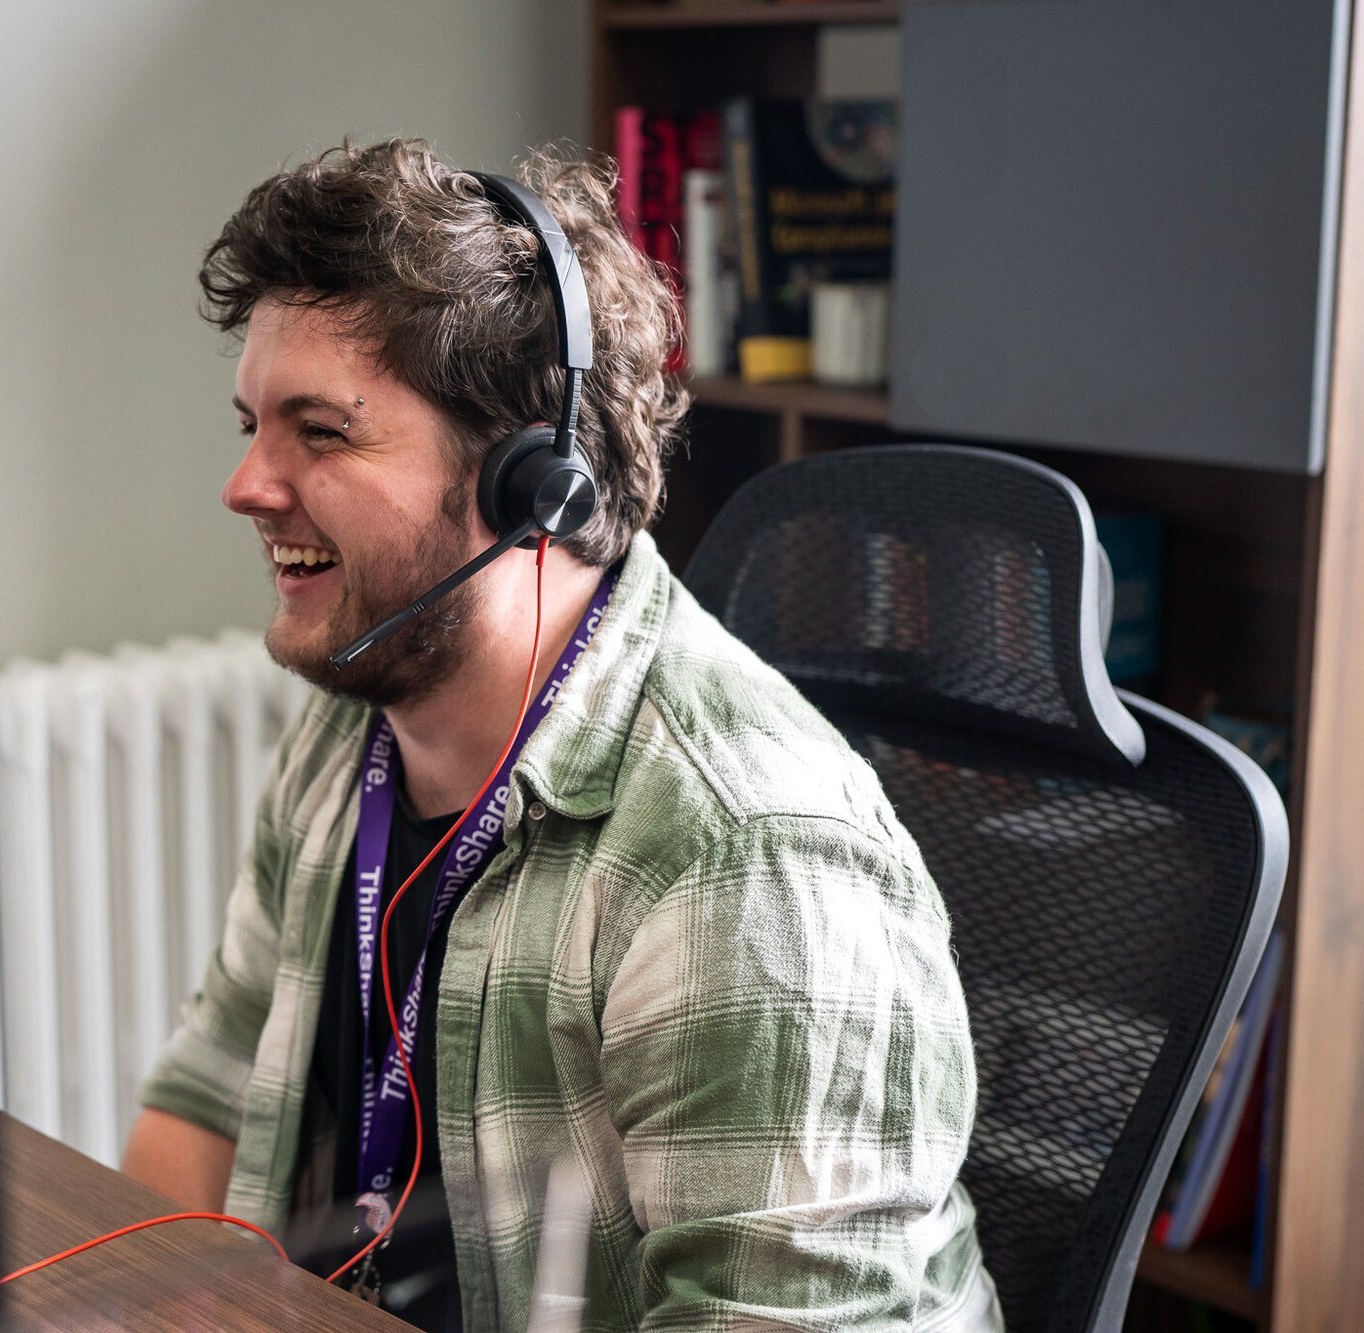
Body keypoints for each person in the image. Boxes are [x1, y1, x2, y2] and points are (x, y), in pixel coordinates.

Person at [122, 138, 1001, 1332]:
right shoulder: (357, 728)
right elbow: (206, 1098)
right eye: (251, 424)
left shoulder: (744, 856)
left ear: (532, 481)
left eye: (318, 432)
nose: (245, 483)